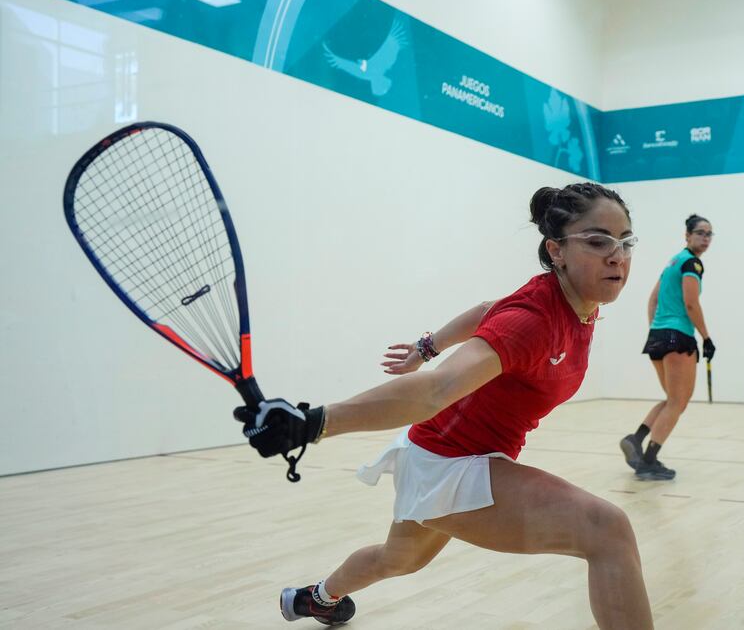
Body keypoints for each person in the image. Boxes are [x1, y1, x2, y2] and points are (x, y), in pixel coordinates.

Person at [236, 182, 654, 629]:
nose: (617, 255)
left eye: (625, 242)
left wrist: (425, 345)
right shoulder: (533, 321)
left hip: (439, 454)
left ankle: (318, 598)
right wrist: (313, 423)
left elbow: (486, 309)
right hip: (450, 464)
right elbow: (436, 390)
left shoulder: (575, 304)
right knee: (607, 531)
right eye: (597, 241)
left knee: (397, 559)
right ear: (557, 251)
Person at [619, 214, 714, 481]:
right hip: (679, 337)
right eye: (700, 233)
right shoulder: (691, 264)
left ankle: (635, 439)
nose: (705, 238)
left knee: (672, 399)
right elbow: (691, 303)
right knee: (678, 402)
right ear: (687, 235)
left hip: (658, 337)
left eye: (709, 234)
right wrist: (706, 338)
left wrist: (656, 331)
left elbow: (652, 300)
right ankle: (649, 460)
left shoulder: (672, 262)